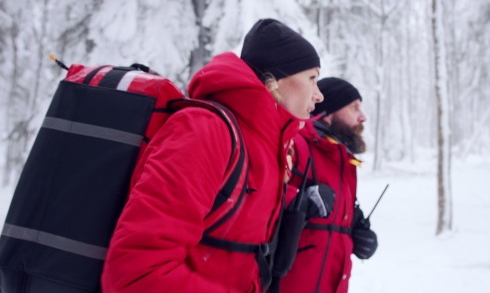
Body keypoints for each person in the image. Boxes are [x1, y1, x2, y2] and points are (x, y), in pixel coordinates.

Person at [101, 19, 335, 292]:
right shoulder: (204, 130)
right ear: (276, 80)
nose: (319, 95)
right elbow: (138, 272)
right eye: (312, 79)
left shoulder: (265, 143)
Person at [279, 77, 378, 293]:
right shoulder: (296, 144)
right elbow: (263, 192)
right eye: (354, 108)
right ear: (329, 113)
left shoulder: (344, 161)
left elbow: (333, 219)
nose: (362, 117)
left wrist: (355, 230)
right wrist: (299, 200)